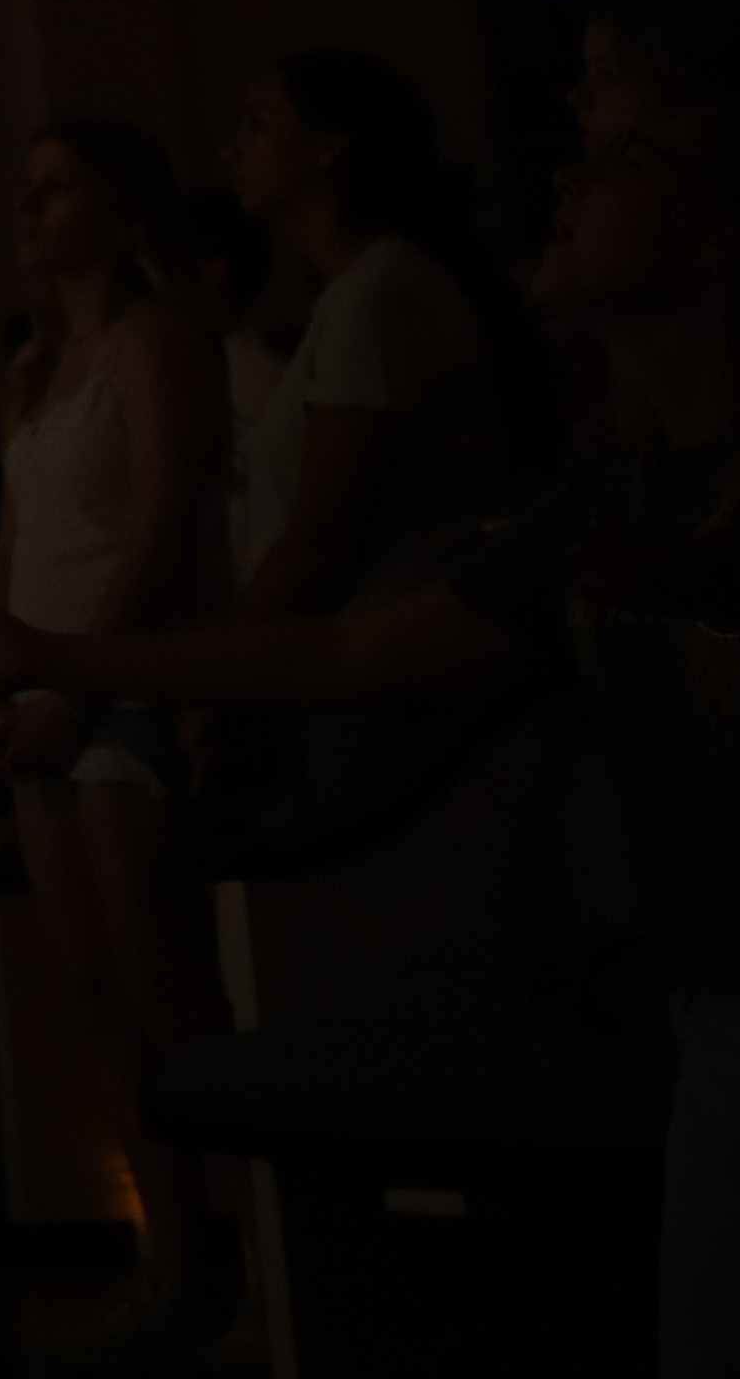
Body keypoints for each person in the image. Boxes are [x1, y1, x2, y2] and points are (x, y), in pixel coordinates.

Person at [0, 19, 740, 1379]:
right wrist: (48, 655)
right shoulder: (609, 491)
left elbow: (321, 584)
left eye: (618, 160)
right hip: (738, 1016)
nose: (566, 178)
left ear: (738, 219)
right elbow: (341, 654)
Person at [0, 114, 241, 1356]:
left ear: (121, 204)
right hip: (39, 696)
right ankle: (173, 1263)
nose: (29, 210)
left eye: (56, 186)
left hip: (118, 680)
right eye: (26, 189)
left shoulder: (152, 340)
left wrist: (73, 688)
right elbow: (16, 546)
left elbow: (162, 530)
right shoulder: (37, 366)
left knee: (166, 984)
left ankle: (251, 1261)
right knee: (96, 998)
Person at [224, 47, 523, 814]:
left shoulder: (379, 294)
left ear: (330, 146)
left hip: (381, 676)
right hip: (357, 673)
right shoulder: (358, 295)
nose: (235, 148)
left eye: (258, 125)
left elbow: (323, 533)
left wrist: (223, 680)